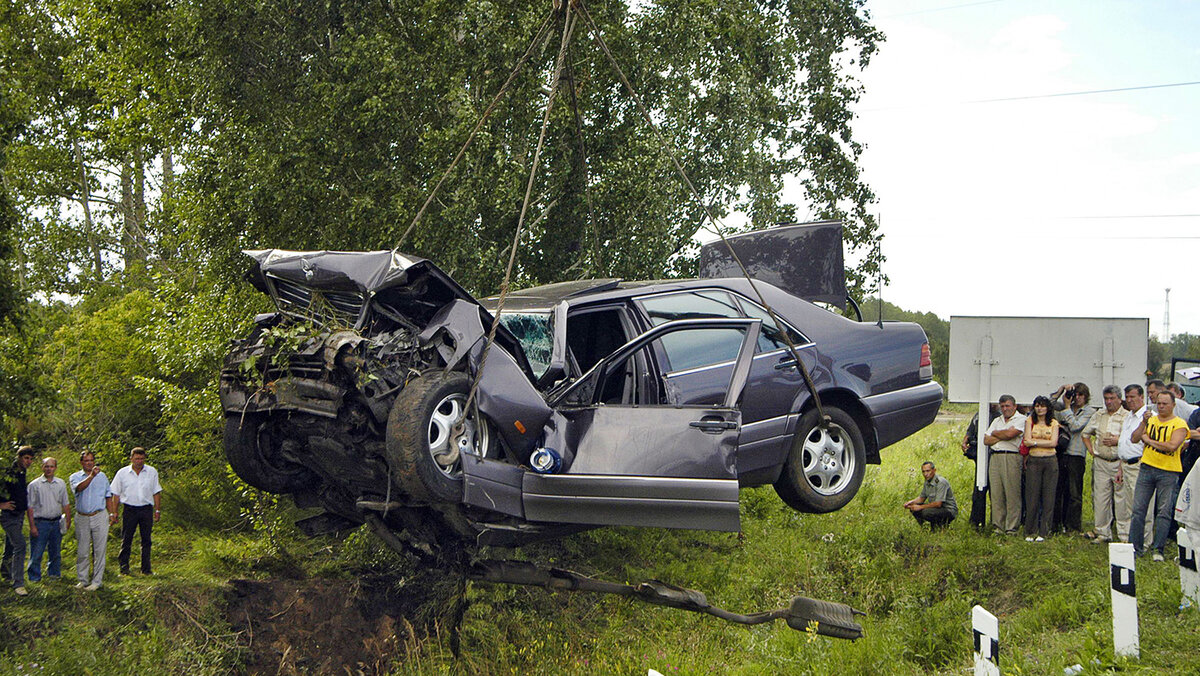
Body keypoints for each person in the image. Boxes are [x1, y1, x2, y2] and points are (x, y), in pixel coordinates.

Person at [1130, 389, 1188, 560]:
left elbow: (1171, 446)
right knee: (1138, 510)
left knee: (1164, 511)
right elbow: (1134, 438)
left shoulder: (1179, 424)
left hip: (1168, 471)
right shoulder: (1151, 420)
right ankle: (1135, 548)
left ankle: (1158, 549)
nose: (1161, 406)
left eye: (1165, 404)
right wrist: (1143, 423)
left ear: (1173, 405)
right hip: (1147, 468)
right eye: (1159, 403)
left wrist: (1148, 440)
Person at [1081, 385, 1132, 543]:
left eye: (1112, 399)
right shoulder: (1099, 414)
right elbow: (1085, 434)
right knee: (1101, 497)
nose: (1109, 402)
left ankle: (1124, 534)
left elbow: (1133, 439)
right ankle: (1103, 532)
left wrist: (1118, 440)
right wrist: (1092, 451)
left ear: (1119, 399)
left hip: (1119, 461)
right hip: (1101, 461)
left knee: (1121, 499)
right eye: (1106, 399)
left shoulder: (1127, 416)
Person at [111, 447, 162, 576]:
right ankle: (124, 568)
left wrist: (157, 509)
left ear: (144, 459)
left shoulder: (151, 472)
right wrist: (114, 512)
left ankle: (146, 569)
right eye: (137, 458)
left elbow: (156, 491)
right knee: (127, 539)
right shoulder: (122, 473)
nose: (139, 461)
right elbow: (115, 494)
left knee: (146, 540)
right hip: (129, 509)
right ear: (131, 459)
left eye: (141, 459)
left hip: (146, 509)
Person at [1051, 382, 1094, 533]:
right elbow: (1047, 406)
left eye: (1081, 395)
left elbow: (1076, 426)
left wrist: (1067, 409)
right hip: (1061, 453)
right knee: (1058, 490)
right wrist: (1059, 392)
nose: (1077, 398)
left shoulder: (1089, 411)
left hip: (1076, 454)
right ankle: (1056, 524)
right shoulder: (1063, 406)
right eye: (1075, 395)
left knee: (1074, 492)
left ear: (1086, 396)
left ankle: (1073, 526)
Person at [70, 450, 115, 590]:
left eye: (91, 460)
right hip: (82, 516)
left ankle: (97, 581)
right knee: (83, 550)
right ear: (81, 462)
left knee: (100, 550)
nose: (89, 463)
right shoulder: (75, 477)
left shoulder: (103, 477)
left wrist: (112, 513)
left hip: (99, 515)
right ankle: (82, 580)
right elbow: (79, 488)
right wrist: (91, 476)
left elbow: (108, 496)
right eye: (86, 461)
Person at [1117, 383, 1155, 547]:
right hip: (1125, 464)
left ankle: (1145, 541)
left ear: (1142, 397)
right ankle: (1129, 538)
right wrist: (1120, 466)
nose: (1130, 400)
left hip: (1139, 464)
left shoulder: (1149, 416)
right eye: (1127, 397)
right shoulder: (1129, 416)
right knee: (1127, 505)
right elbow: (1123, 443)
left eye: (1133, 397)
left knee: (1142, 505)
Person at [25, 456, 71, 583]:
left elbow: (65, 503)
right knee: (37, 552)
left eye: (51, 466)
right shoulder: (34, 485)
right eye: (46, 466)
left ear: (55, 468)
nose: (49, 469)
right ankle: (34, 577)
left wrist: (68, 520)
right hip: (41, 522)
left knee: (55, 551)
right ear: (42, 467)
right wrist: (32, 526)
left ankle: (54, 575)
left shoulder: (60, 483)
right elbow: (30, 507)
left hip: (56, 522)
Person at [984, 395, 1026, 534]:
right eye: (1002, 406)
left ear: (1014, 406)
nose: (1005, 409)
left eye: (1007, 406)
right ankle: (998, 526)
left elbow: (1011, 434)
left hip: (1011, 457)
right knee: (996, 494)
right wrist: (1003, 434)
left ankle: (1012, 527)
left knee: (1012, 493)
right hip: (995, 457)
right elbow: (986, 440)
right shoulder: (997, 420)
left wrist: (996, 434)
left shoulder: (1021, 419)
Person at [1023, 395, 1060, 541]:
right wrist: (1037, 442)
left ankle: (1044, 531)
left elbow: (1054, 443)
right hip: (1034, 460)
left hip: (1050, 460)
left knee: (1048, 496)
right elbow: (1026, 441)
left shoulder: (1054, 423)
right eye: (1037, 406)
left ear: (1048, 408)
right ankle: (1030, 530)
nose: (1040, 409)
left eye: (1042, 406)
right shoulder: (1030, 421)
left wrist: (1035, 442)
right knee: (1032, 496)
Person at [1, 446, 37, 596]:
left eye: (30, 458)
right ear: (19, 457)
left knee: (11, 545)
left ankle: (6, 571)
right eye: (25, 458)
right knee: (20, 545)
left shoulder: (22, 472)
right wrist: (1, 505)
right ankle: (18, 583)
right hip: (9, 515)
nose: (28, 461)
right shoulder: (8, 472)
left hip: (19, 514)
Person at [904, 461, 958, 529]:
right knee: (914, 509)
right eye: (923, 472)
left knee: (926, 512)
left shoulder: (940, 482)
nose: (925, 474)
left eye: (928, 471)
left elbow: (938, 504)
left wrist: (920, 507)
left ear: (934, 470)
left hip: (948, 510)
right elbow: (922, 498)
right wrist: (911, 502)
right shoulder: (927, 481)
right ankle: (925, 528)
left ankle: (940, 526)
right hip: (937, 508)